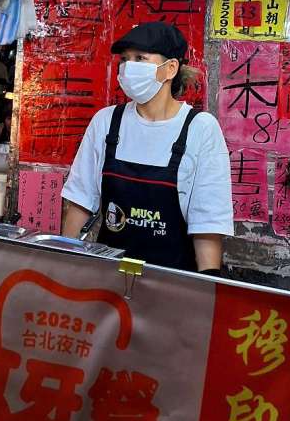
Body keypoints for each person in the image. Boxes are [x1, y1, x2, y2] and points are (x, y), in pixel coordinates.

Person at [62, 22, 233, 274]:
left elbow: (207, 224)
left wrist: (207, 293)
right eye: (125, 59)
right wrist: (64, 262)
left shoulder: (200, 128)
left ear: (171, 68)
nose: (129, 67)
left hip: (172, 283)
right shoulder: (107, 122)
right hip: (108, 278)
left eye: (140, 58)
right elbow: (80, 201)